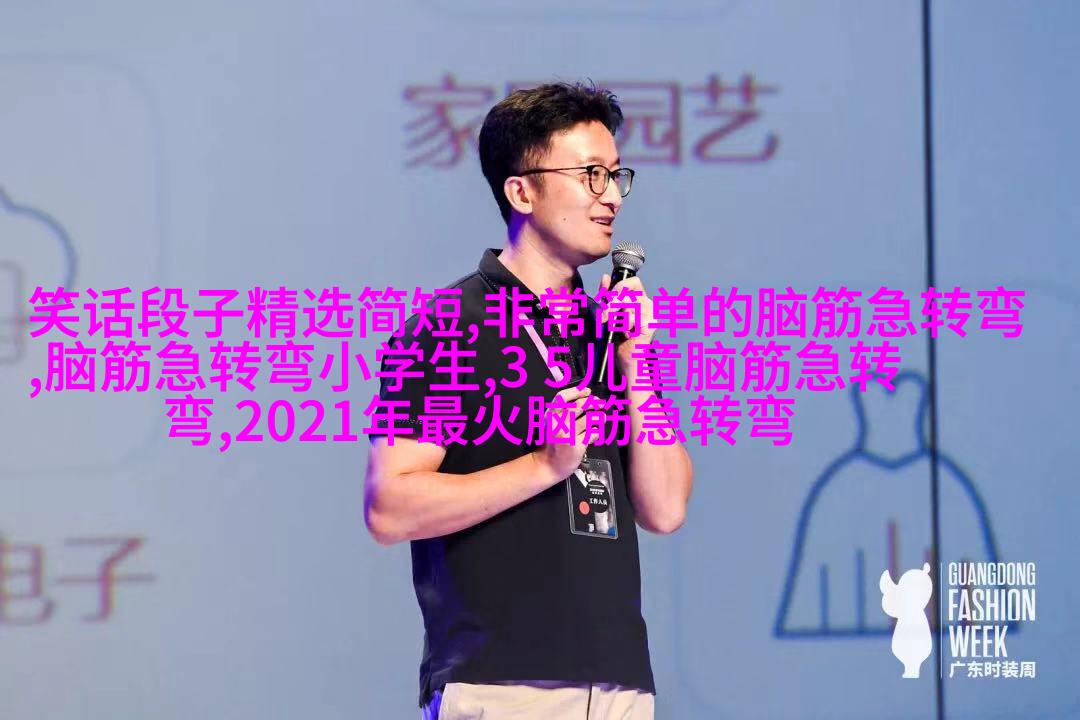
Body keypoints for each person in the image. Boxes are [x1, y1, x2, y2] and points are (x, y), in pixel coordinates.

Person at [364, 81, 694, 720]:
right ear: (521, 191)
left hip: (620, 684)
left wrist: (636, 367)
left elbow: (665, 508)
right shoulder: (451, 325)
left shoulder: (610, 330)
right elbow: (389, 507)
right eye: (590, 174)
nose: (610, 195)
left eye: (616, 175)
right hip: (502, 683)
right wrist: (543, 466)